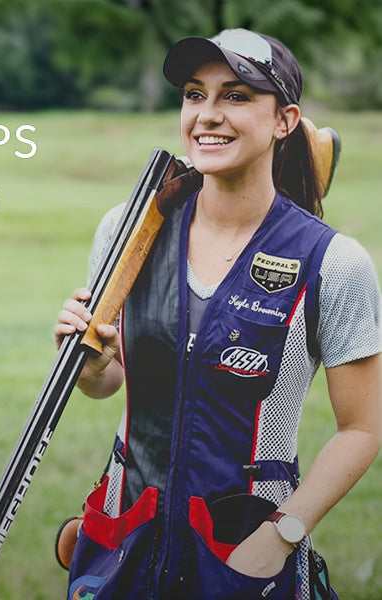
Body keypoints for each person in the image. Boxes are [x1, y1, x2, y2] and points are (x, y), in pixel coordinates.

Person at [54, 29, 381, 599]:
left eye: (235, 95)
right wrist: (87, 364)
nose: (207, 115)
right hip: (127, 530)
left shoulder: (332, 261)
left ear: (284, 120)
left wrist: (283, 534)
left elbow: (362, 428)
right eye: (193, 94)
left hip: (245, 548)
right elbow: (107, 382)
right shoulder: (130, 229)